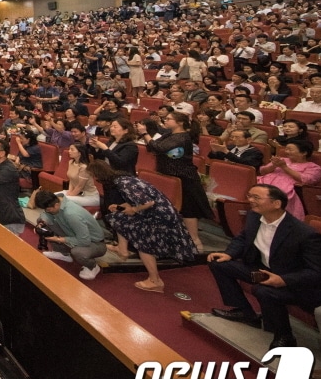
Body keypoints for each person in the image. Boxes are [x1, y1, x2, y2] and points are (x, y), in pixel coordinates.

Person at [208, 184, 321, 349]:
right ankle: (245, 312)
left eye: (256, 198)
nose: (250, 200)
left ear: (276, 204)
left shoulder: (305, 234)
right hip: (264, 271)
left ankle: (285, 337)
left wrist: (283, 280)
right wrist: (230, 254)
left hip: (294, 281)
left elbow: (317, 272)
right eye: (250, 196)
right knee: (219, 263)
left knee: (263, 291)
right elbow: (243, 237)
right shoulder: (254, 217)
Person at [89, 160, 196, 293]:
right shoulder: (122, 178)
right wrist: (120, 207)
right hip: (154, 213)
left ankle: (155, 281)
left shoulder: (122, 184)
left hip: (160, 217)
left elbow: (148, 202)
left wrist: (133, 209)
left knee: (142, 241)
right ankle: (122, 249)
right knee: (117, 216)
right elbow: (135, 201)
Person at [140, 112, 208, 251]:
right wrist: (147, 137)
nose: (166, 120)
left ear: (180, 123)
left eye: (169, 119)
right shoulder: (169, 134)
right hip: (169, 175)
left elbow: (159, 148)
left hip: (184, 177)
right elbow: (152, 148)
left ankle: (195, 241)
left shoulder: (182, 137)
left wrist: (144, 133)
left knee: (188, 209)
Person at [31, 189, 107, 280]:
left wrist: (59, 239)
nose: (47, 211)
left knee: (77, 252)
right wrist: (41, 223)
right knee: (44, 224)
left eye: (48, 209)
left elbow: (84, 240)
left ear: (56, 205)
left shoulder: (71, 214)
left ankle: (92, 266)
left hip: (95, 243)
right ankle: (63, 253)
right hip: (73, 233)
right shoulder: (57, 201)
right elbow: (46, 215)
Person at [255, 140, 321, 219]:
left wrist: (284, 167)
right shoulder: (282, 159)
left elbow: (307, 180)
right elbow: (262, 171)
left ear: (304, 153)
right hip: (264, 182)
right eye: (286, 149)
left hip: (288, 189)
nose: (287, 152)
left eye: (290, 150)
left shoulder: (313, 167)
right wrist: (274, 165)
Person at [58, 142, 99, 207]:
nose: (69, 151)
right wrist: (69, 192)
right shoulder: (71, 162)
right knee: (54, 196)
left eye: (72, 149)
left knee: (62, 200)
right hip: (77, 193)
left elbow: (80, 186)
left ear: (79, 153)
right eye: (69, 149)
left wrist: (70, 195)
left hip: (89, 196)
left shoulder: (84, 167)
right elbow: (71, 179)